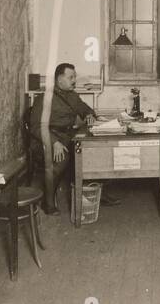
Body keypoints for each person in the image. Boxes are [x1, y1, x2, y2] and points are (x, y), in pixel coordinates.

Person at [27, 63, 115, 214]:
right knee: (61, 158)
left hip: (67, 137)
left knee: (92, 152)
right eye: (71, 77)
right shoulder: (44, 98)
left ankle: (95, 192)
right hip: (46, 139)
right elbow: (36, 126)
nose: (74, 80)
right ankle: (48, 202)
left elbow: (86, 109)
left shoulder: (72, 96)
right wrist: (54, 143)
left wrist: (89, 115)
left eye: (74, 77)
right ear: (59, 80)